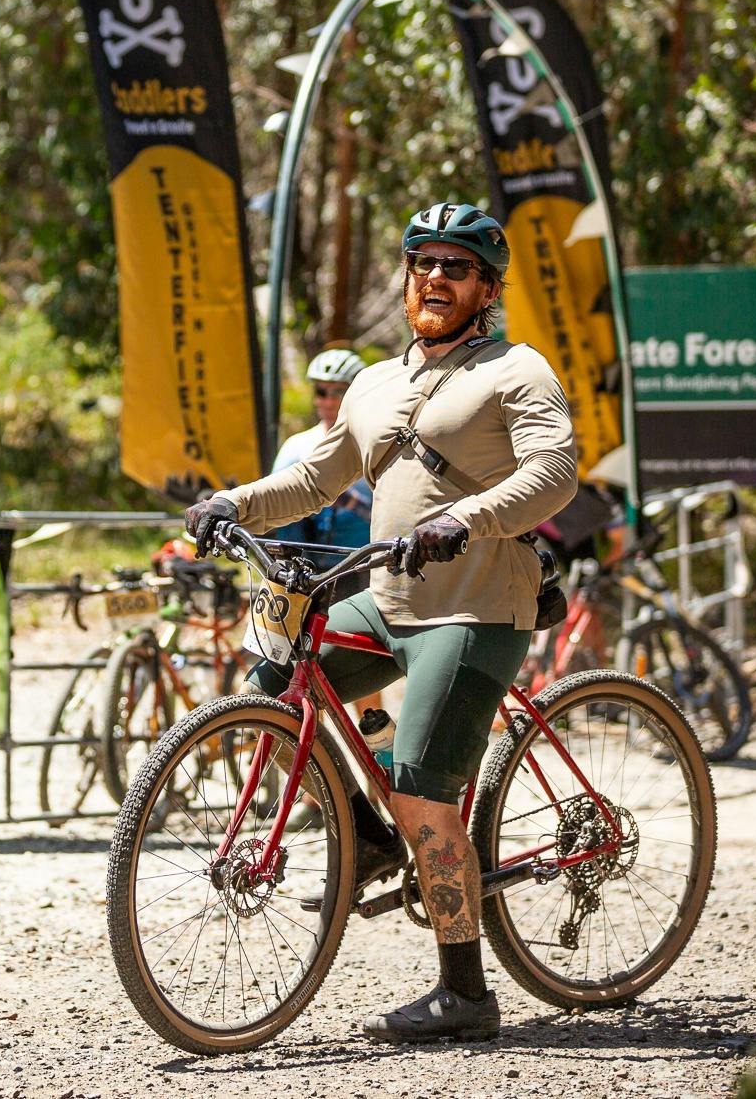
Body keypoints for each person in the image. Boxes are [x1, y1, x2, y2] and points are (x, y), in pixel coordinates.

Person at [185, 202, 577, 1044]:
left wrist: (466, 519)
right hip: (390, 600)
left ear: (488, 288)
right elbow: (314, 479)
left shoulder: (517, 369)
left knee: (423, 789)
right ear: (405, 277)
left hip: (476, 606)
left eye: (457, 267)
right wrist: (230, 501)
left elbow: (554, 473)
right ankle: (361, 834)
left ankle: (465, 991)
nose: (436, 277)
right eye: (423, 262)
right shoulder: (374, 382)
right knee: (274, 681)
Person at [272, 348, 373, 551]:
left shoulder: (375, 444)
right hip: (306, 568)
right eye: (321, 392)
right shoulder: (296, 446)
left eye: (339, 392)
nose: (329, 401)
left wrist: (354, 504)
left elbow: (397, 518)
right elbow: (274, 506)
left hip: (363, 565)